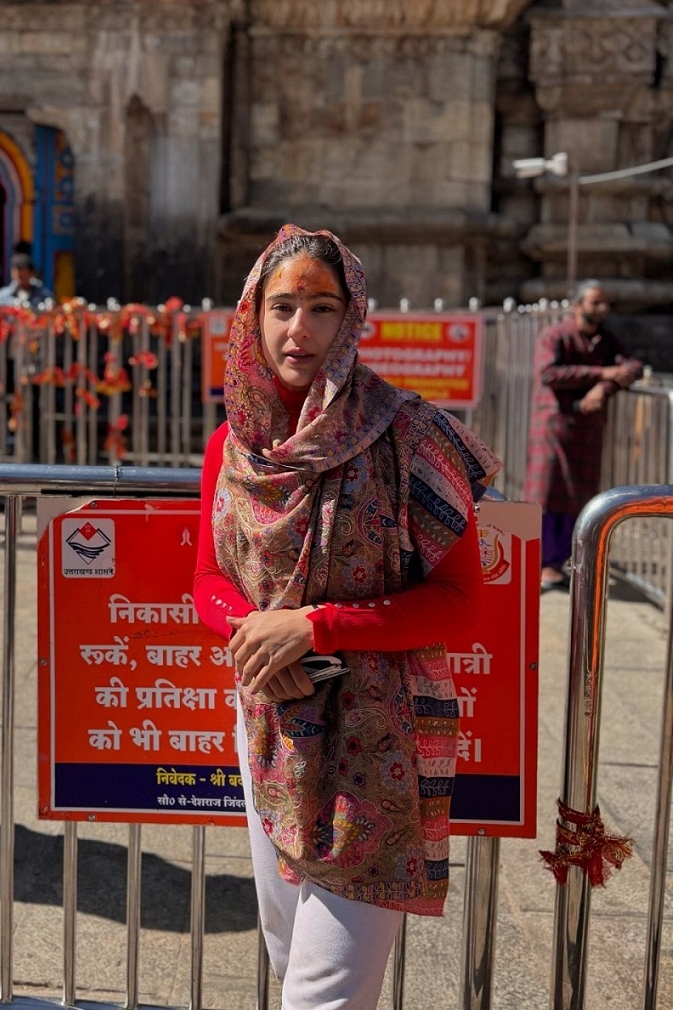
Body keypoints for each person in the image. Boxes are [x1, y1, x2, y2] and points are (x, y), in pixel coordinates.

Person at [193, 225, 499, 1009]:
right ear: (253, 315)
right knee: (291, 959)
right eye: (284, 306)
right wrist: (253, 633)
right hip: (270, 725)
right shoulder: (234, 446)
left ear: (352, 316)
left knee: (319, 995)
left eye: (322, 308)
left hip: (379, 741)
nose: (300, 329)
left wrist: (316, 625)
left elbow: (461, 602)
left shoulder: (408, 435)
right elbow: (207, 578)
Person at [525, 279, 643, 589]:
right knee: (548, 496)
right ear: (577, 306)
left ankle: (563, 562)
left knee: (581, 496)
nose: (602, 309)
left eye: (605, 303)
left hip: (588, 431)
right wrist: (602, 373)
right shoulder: (556, 335)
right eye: (595, 303)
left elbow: (633, 367)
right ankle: (544, 564)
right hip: (554, 426)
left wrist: (602, 389)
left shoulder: (607, 340)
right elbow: (549, 373)